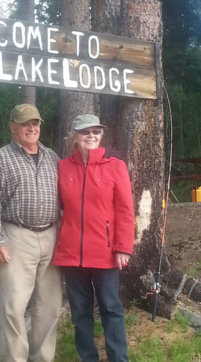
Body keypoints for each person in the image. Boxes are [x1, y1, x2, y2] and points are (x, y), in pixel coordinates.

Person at [0, 103, 62, 362]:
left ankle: (42, 358)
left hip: (51, 235)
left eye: (35, 123)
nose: (31, 128)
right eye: (25, 123)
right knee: (14, 307)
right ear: (12, 127)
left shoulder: (52, 158)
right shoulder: (1, 158)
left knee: (48, 307)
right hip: (16, 237)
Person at [53, 114, 134, 362]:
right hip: (71, 254)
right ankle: (87, 357)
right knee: (80, 312)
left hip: (105, 253)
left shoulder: (115, 166)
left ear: (101, 136)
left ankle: (118, 357)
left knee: (111, 308)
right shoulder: (62, 166)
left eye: (95, 132)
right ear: (74, 137)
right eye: (85, 131)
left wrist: (123, 247)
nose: (90, 135)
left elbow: (125, 210)